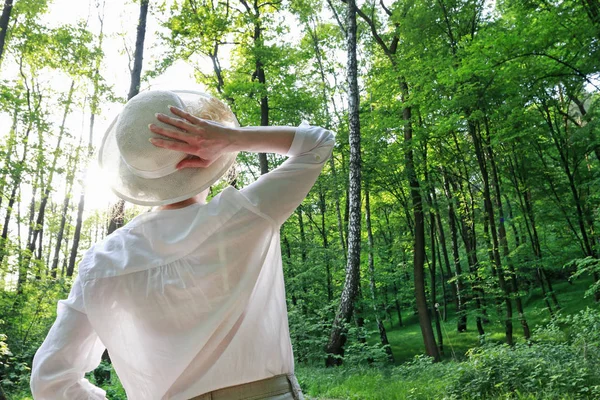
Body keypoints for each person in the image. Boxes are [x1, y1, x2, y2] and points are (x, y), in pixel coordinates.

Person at [29, 90, 335, 400]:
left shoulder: (102, 262)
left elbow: (50, 381)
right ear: (207, 154)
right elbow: (318, 142)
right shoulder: (245, 215)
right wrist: (230, 138)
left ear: (134, 177)